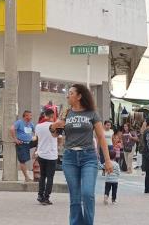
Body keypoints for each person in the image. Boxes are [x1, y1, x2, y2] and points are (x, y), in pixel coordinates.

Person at [50, 84, 113, 225]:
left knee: (88, 193)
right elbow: (55, 135)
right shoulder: (65, 113)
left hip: (89, 157)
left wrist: (107, 160)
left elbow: (101, 137)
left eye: (71, 93)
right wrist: (53, 126)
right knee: (75, 196)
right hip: (70, 158)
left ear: (79, 96)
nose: (68, 95)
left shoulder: (92, 113)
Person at [35, 109, 58, 205]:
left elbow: (37, 138)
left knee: (42, 176)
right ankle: (46, 197)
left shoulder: (38, 126)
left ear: (45, 115)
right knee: (50, 177)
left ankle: (40, 195)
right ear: (52, 115)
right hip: (52, 155)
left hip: (41, 154)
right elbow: (59, 139)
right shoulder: (54, 126)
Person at [10, 110, 35, 182]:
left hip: (29, 142)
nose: (30, 117)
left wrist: (35, 136)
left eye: (31, 115)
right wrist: (15, 139)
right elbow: (12, 129)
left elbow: (35, 131)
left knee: (40, 141)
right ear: (25, 116)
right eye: (28, 115)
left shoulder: (31, 124)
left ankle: (36, 152)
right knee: (22, 161)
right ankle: (26, 177)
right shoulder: (19, 122)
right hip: (22, 143)